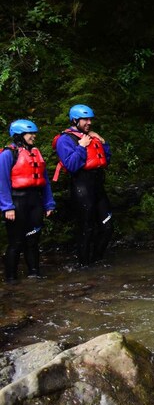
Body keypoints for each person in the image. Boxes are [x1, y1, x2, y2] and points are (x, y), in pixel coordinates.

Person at [54, 104, 113, 266]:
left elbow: (106, 160)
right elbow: (71, 165)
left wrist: (102, 141)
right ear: (75, 120)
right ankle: (84, 266)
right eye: (85, 119)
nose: (89, 122)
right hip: (81, 187)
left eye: (90, 119)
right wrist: (81, 146)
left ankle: (97, 260)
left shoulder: (92, 136)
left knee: (107, 227)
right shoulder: (65, 140)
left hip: (97, 186)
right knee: (86, 229)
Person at [1, 120, 56, 281]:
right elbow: (2, 182)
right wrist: (7, 207)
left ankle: (34, 274)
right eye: (30, 133)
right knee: (16, 243)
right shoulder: (8, 154)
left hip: (34, 202)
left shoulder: (35, 154)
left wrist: (49, 203)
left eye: (34, 133)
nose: (33, 136)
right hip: (17, 202)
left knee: (33, 240)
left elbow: (44, 181)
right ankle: (11, 279)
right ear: (19, 135)